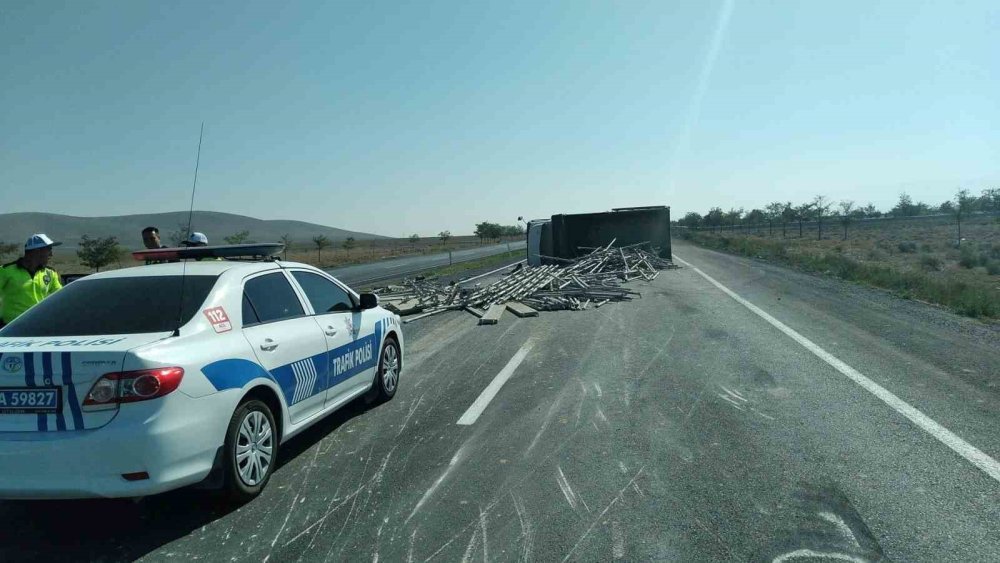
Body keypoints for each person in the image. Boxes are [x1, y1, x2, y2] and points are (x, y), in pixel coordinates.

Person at [0, 234, 63, 327]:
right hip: (10, 328)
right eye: (49, 250)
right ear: (37, 251)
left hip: (39, 326)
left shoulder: (50, 273)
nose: (51, 254)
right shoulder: (6, 271)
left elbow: (60, 298)